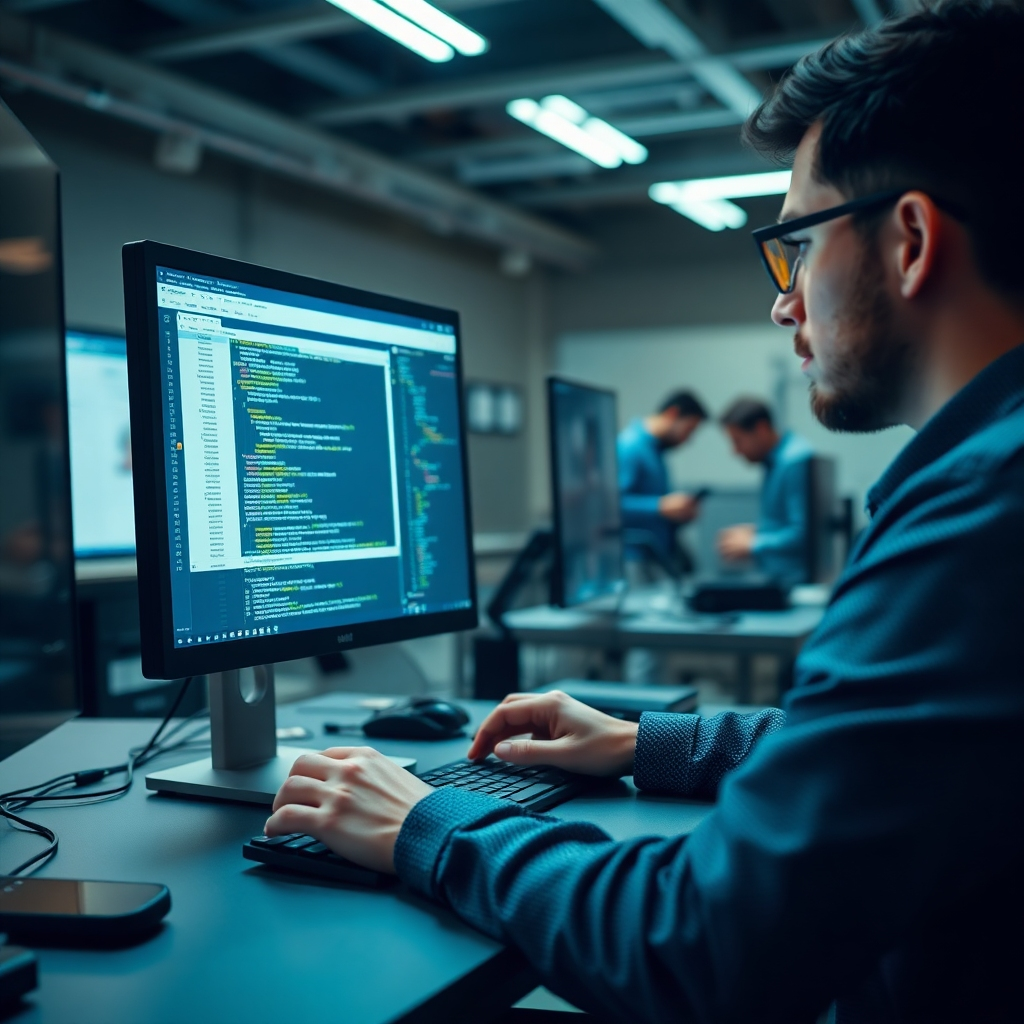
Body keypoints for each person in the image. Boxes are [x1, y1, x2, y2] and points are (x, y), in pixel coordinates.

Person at [266, 4, 1024, 1021]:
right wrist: (646, 740)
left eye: (794, 244)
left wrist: (428, 823)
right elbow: (885, 756)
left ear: (911, 239)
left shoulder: (979, 512)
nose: (784, 300)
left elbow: (697, 944)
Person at [716, 397, 814, 586]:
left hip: (794, 584)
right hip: (778, 579)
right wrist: (756, 531)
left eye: (737, 441)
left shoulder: (794, 461)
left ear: (761, 429)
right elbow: (785, 521)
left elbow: (805, 533)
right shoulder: (774, 460)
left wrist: (753, 544)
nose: (735, 451)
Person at [616, 390, 708, 570]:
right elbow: (611, 506)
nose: (688, 439)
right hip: (635, 560)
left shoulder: (656, 450)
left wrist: (678, 512)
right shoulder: (630, 446)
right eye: (689, 430)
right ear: (672, 414)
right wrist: (660, 507)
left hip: (655, 557)